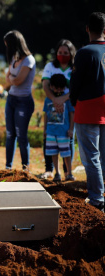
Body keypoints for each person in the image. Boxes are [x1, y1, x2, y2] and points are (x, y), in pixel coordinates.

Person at [70, 12, 105, 212]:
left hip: (89, 108)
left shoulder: (85, 52)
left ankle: (96, 199)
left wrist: (74, 101)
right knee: (103, 156)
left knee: (91, 156)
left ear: (87, 29)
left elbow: (75, 83)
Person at [40, 39, 77, 179]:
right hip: (53, 105)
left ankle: (68, 171)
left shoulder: (74, 68)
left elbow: (75, 88)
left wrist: (63, 99)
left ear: (71, 53)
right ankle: (51, 170)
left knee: (68, 141)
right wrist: (55, 100)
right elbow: (45, 85)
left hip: (68, 104)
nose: (62, 55)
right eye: (60, 52)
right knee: (51, 142)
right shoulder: (50, 66)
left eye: (66, 52)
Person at [4, 30, 36, 171]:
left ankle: (25, 167)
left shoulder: (29, 60)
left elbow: (17, 81)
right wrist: (11, 79)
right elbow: (8, 79)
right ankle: (8, 166)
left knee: (21, 135)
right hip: (11, 100)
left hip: (23, 101)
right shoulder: (14, 59)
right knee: (10, 134)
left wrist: (11, 79)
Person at [43, 74, 74, 181]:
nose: (58, 90)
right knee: (53, 153)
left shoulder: (67, 100)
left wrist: (71, 129)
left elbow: (71, 114)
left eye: (61, 88)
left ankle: (69, 173)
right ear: (51, 86)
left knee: (66, 153)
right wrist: (45, 130)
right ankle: (57, 173)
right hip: (51, 131)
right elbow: (46, 114)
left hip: (63, 132)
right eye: (56, 88)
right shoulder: (48, 99)